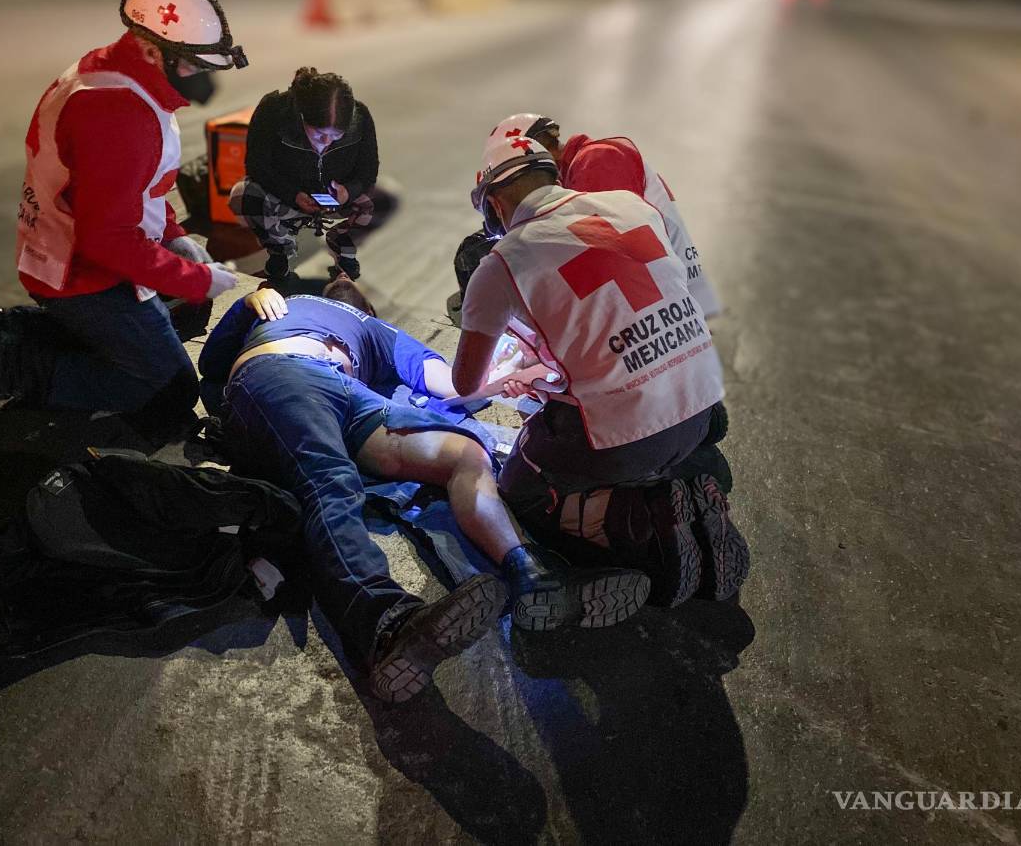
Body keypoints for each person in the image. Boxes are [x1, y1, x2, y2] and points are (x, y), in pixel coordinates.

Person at [198, 277, 650, 703]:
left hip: (341, 391)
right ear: (367, 308)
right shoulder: (300, 307)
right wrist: (246, 308)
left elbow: (454, 385)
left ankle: (530, 576)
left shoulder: (365, 329)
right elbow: (215, 370)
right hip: (280, 372)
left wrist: (516, 369)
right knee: (331, 483)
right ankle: (387, 626)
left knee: (462, 454)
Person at [0, 0, 246, 430]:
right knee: (169, 391)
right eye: (193, 65)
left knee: (187, 298)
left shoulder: (116, 71)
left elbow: (144, 190)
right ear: (153, 50)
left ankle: (6, 332)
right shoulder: (122, 114)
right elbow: (108, 238)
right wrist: (194, 278)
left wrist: (176, 244)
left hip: (65, 246)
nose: (201, 80)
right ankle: (7, 364)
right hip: (78, 272)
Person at [453, 134, 749, 607]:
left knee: (516, 492)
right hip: (700, 412)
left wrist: (522, 360)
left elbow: (465, 384)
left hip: (630, 438)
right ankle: (675, 490)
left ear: (493, 203)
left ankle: (643, 522)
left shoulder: (504, 261)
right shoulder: (630, 207)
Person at [453, 113, 720, 319]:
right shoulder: (583, 168)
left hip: (660, 308)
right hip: (663, 304)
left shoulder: (595, 160)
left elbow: (601, 262)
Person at [230, 68, 379, 284]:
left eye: (337, 135)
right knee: (242, 194)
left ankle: (343, 244)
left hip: (335, 200)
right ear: (302, 117)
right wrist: (293, 195)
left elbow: (369, 170)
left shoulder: (361, 117)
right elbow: (256, 166)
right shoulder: (273, 111)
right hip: (288, 198)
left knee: (382, 197)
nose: (327, 142)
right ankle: (281, 248)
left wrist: (348, 192)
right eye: (319, 134)